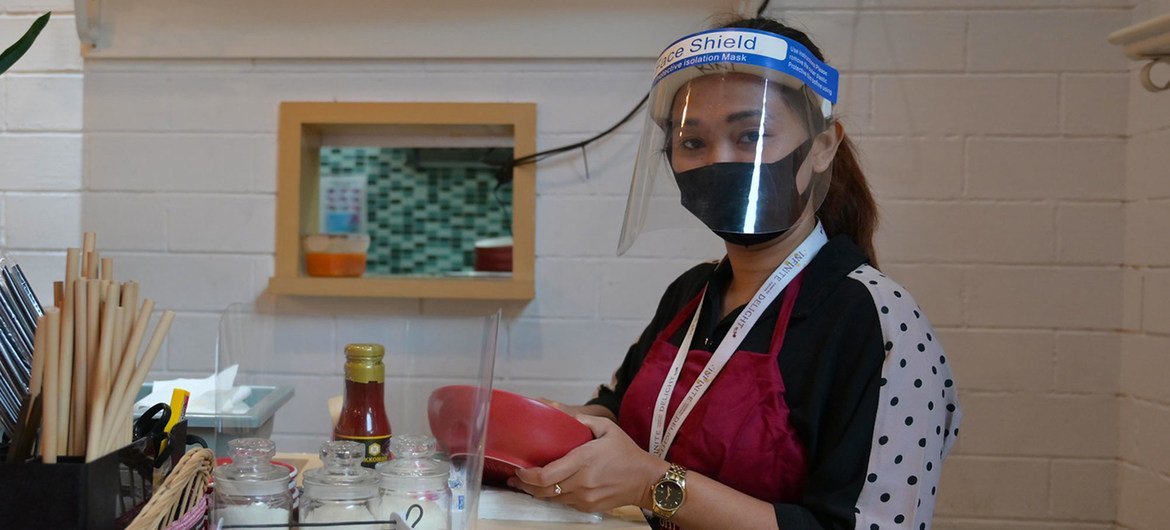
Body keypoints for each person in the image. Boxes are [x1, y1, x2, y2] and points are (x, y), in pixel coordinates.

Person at [508, 16, 962, 530]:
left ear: (822, 147)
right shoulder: (690, 293)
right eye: (694, 143)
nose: (720, 161)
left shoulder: (877, 321)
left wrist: (653, 486)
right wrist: (550, 427)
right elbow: (624, 410)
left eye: (751, 134)